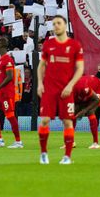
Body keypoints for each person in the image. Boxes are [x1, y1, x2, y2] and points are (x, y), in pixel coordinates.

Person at [37, 15, 84, 165]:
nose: (56, 26)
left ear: (65, 26)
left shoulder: (75, 46)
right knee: (44, 120)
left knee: (67, 122)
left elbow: (80, 68)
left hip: (66, 90)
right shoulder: (48, 45)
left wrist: (70, 85)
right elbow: (41, 66)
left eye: (59, 23)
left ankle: (67, 156)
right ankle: (43, 153)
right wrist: (39, 83)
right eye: (54, 23)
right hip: (49, 89)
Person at [0, 36, 23, 148]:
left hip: (6, 93)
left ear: (2, 45)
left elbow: (10, 77)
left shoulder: (8, 59)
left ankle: (18, 141)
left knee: (10, 116)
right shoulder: (1, 59)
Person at [71, 74, 100, 149]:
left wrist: (84, 111)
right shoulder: (71, 89)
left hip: (99, 88)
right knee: (73, 112)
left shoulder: (83, 88)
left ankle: (96, 143)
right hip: (86, 88)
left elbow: (96, 100)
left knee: (90, 112)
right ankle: (70, 142)